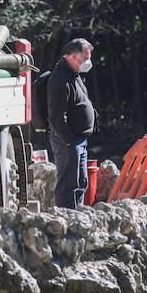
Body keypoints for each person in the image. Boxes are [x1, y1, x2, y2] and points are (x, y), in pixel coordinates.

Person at [47, 38, 95, 209]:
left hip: (78, 140)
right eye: (85, 58)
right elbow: (56, 116)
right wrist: (68, 140)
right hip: (68, 140)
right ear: (73, 57)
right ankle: (66, 219)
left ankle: (77, 216)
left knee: (80, 181)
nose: (88, 62)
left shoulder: (74, 75)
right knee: (68, 184)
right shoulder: (60, 79)